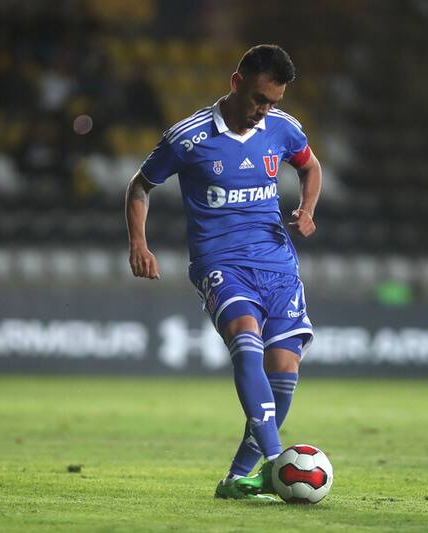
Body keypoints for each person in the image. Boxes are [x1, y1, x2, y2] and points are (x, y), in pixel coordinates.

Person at [124, 44, 322, 500]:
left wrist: (307, 209)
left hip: (277, 263)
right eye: (258, 99)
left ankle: (239, 477)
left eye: (273, 102)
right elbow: (141, 185)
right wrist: (139, 243)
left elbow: (310, 167)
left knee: (284, 369)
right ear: (236, 82)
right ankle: (277, 461)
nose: (263, 110)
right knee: (246, 341)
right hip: (221, 263)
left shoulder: (282, 129)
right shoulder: (188, 138)